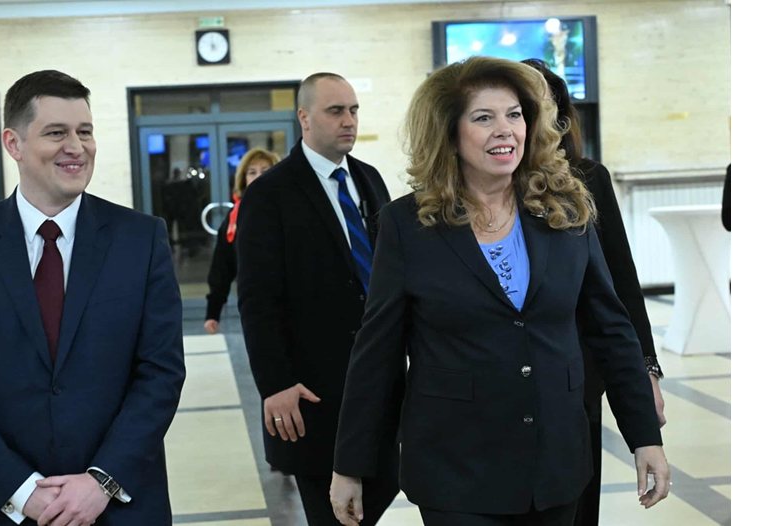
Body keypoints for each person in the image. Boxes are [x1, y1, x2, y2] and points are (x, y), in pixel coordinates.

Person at [329, 57, 670, 526]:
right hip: (457, 468)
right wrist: (350, 465)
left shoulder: (566, 211)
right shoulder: (407, 225)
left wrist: (644, 436)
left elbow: (612, 329)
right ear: (449, 133)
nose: (504, 129)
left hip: (556, 462)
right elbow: (377, 351)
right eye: (483, 117)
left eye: (514, 115)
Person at [0, 70, 187, 526]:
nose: (76, 146)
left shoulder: (141, 239)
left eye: (85, 132)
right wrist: (21, 492)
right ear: (13, 144)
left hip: (120, 506)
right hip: (2, 508)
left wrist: (101, 481)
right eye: (56, 133)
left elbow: (160, 373)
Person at [236, 72, 400, 525]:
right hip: (313, 390)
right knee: (332, 511)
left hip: (378, 379)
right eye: (336, 111)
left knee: (383, 485)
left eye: (354, 110)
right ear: (304, 118)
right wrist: (275, 383)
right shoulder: (270, 193)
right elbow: (257, 298)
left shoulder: (369, 179)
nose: (349, 120)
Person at [520, 57, 668, 526]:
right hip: (502, 377)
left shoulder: (586, 178)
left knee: (576, 499)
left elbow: (620, 282)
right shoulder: (480, 184)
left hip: (579, 364)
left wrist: (646, 369)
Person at [204, 147, 280, 334]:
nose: (259, 176)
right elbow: (222, 266)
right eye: (252, 172)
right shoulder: (235, 217)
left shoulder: (290, 209)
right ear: (243, 179)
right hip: (255, 305)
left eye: (265, 170)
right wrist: (213, 312)